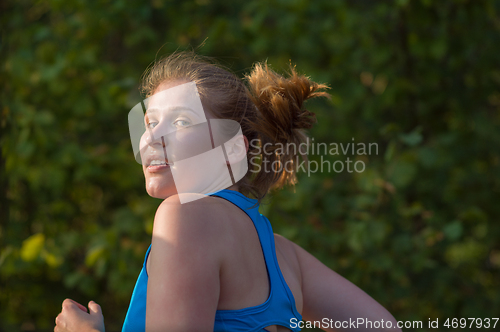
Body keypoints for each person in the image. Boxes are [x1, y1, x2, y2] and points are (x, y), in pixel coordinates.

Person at [55, 52, 402, 332]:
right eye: (149, 122)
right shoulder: (284, 255)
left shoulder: (184, 215)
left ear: (233, 149)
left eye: (179, 122)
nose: (151, 138)